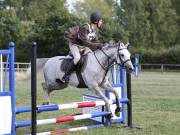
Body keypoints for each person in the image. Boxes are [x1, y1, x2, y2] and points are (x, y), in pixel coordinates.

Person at [62, 12, 104, 83]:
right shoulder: (84, 27)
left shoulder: (96, 30)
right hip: (75, 44)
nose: (101, 22)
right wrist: (98, 44)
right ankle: (66, 75)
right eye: (101, 21)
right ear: (96, 21)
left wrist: (102, 46)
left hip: (83, 46)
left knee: (92, 57)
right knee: (77, 58)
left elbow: (95, 41)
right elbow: (86, 42)